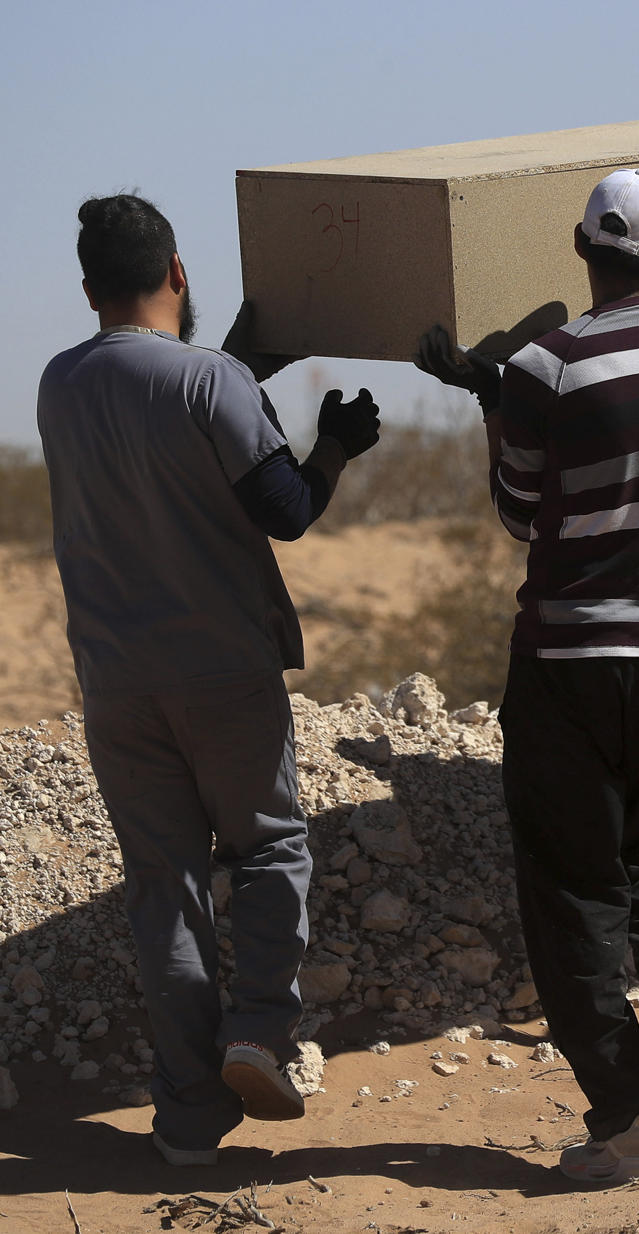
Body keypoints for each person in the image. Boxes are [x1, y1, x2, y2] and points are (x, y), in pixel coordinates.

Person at [38, 194, 382, 1166]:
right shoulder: (212, 381)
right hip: (224, 670)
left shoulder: (56, 384)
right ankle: (260, 1032)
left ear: (88, 290)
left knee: (166, 888)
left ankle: (189, 1118)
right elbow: (284, 507)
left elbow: (166, 397)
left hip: (115, 684)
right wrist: (339, 449)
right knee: (270, 849)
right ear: (179, 273)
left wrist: (236, 366)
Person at [413, 168, 639, 1185]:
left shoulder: (549, 369)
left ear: (580, 248)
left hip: (571, 656)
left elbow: (524, 516)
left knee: (569, 885)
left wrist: (490, 399)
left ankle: (627, 1122)